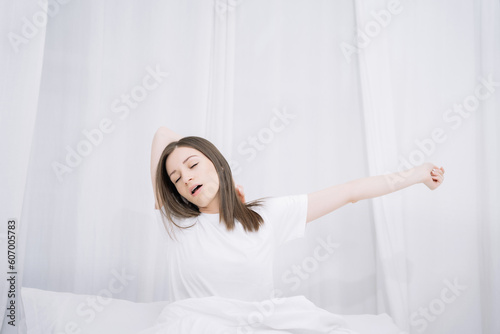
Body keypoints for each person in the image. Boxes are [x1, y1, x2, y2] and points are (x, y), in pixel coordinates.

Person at [146, 126, 445, 334]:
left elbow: (351, 191)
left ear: (219, 164)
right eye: (176, 177)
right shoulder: (177, 224)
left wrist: (418, 174)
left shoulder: (264, 216)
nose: (185, 177)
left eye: (193, 164)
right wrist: (190, 157)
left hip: (257, 325)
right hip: (196, 326)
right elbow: (162, 134)